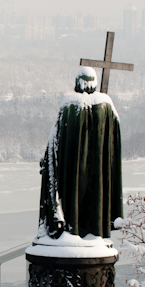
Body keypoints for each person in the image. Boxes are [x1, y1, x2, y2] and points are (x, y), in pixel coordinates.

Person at [38, 67, 123, 239]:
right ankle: (96, 229)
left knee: (72, 196)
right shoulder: (107, 106)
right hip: (99, 171)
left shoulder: (69, 105)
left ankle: (71, 228)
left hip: (72, 171)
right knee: (97, 195)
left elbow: (56, 139)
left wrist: (48, 159)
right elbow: (114, 140)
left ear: (78, 82)